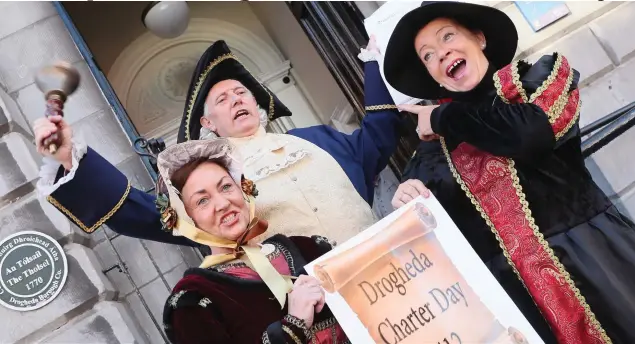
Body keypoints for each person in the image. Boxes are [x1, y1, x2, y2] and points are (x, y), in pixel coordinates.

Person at [384, 2, 635, 344]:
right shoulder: (431, 152)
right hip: (524, 308)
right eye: (427, 55)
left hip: (595, 268)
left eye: (448, 37)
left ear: (479, 38)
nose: (441, 54)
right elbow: (429, 236)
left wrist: (443, 118)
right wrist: (406, 199)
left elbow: (531, 135)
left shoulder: (533, 81)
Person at [34, 39, 401, 246]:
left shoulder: (316, 139)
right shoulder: (210, 176)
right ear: (207, 123)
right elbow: (148, 215)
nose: (237, 100)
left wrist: (374, 60)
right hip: (316, 310)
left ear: (258, 107)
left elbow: (379, 134)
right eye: (223, 99)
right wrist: (70, 157)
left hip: (396, 267)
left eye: (241, 93)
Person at [153, 138, 347, 343]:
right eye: (202, 200)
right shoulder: (192, 300)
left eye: (226, 187)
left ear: (243, 189)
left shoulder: (308, 248)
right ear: (187, 220)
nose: (222, 203)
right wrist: (294, 325)